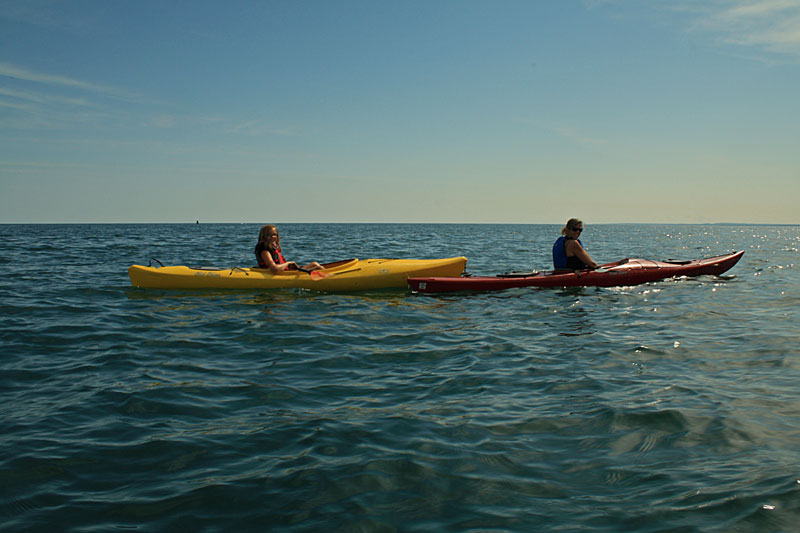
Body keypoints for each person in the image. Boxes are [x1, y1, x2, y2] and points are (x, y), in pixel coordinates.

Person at [254, 225, 323, 273]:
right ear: (264, 236)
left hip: (285, 271)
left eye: (274, 234)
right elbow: (274, 269)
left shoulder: (272, 247)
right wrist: (288, 263)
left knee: (315, 264)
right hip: (280, 274)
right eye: (269, 235)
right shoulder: (264, 251)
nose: (272, 237)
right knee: (319, 268)